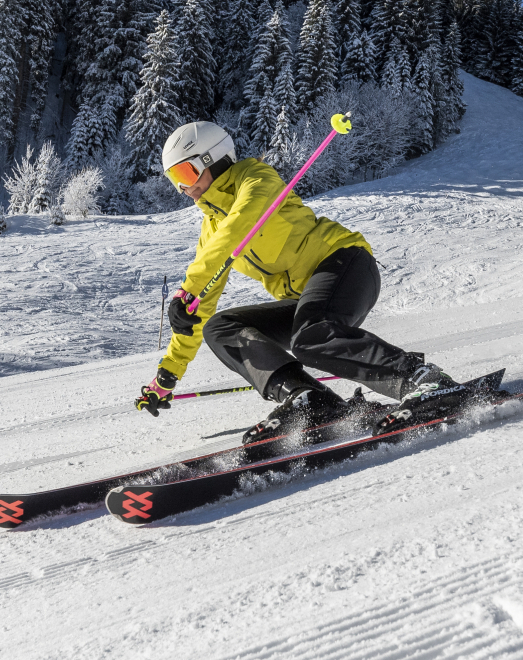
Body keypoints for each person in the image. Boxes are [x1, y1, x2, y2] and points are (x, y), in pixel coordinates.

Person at [134, 121, 454, 440]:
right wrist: (167, 374)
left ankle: (423, 380)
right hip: (307, 299)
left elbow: (238, 227)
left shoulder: (257, 179)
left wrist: (186, 288)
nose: (183, 188)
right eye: (175, 180)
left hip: (345, 264)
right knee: (220, 327)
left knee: (311, 336)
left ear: (212, 159)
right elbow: (198, 306)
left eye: (186, 175)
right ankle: (308, 400)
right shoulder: (211, 229)